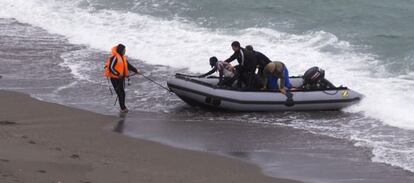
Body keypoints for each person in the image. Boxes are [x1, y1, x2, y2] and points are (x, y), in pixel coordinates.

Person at [104, 44, 139, 113]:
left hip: (121, 78)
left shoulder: (123, 57)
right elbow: (111, 67)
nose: (125, 51)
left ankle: (123, 108)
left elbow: (129, 66)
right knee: (120, 93)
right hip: (115, 79)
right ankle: (123, 108)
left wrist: (136, 71)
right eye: (124, 50)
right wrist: (117, 73)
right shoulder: (115, 58)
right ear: (121, 50)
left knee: (122, 93)